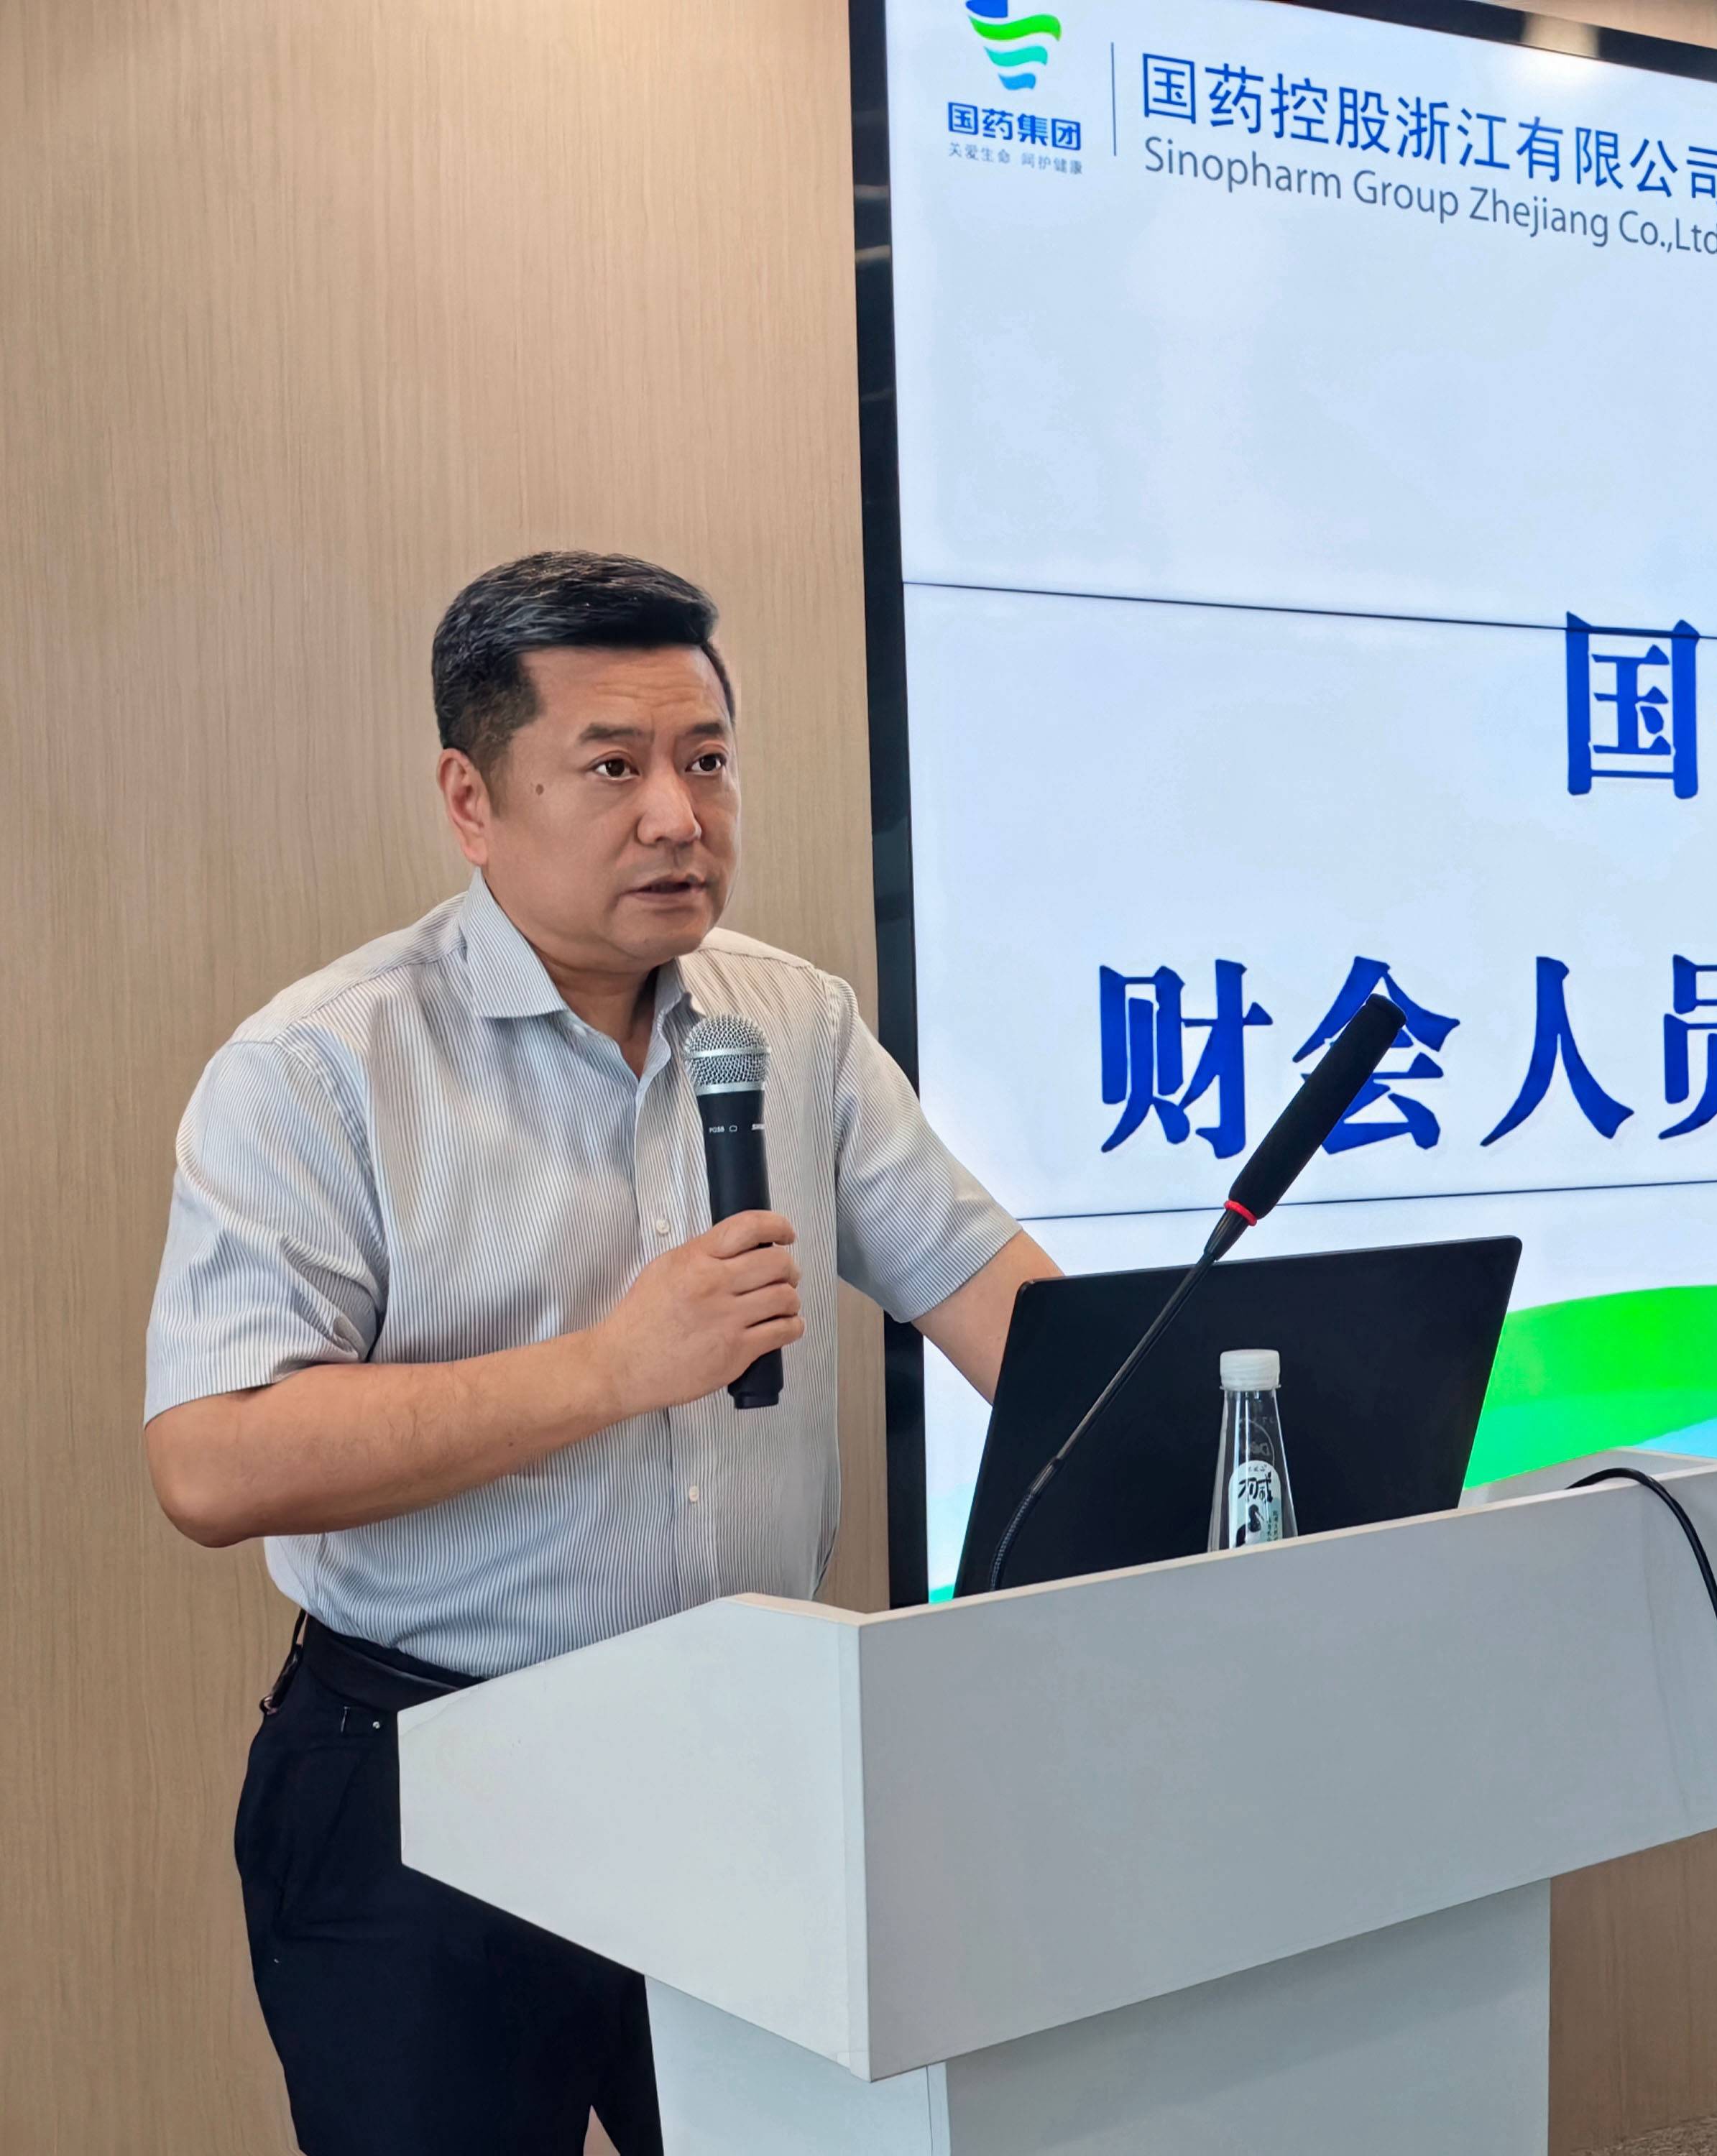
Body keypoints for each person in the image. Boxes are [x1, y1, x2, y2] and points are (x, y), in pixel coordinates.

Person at [142, 552, 1057, 2156]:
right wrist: (614, 1368)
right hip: (427, 1778)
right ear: (472, 799)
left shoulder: (792, 1022)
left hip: (745, 1758)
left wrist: (1217, 1423)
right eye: (615, 769)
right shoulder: (321, 1064)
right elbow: (212, 1463)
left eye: (707, 760)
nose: (678, 817)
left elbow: (992, 1300)